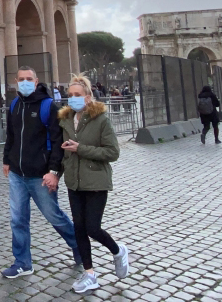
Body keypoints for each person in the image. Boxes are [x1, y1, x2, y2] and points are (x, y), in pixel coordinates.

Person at [1, 66, 81, 278]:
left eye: (29, 79)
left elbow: (57, 142)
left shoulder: (48, 106)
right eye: (21, 79)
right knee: (18, 219)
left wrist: (54, 171)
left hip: (41, 175)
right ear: (15, 82)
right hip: (17, 173)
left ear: (36, 82)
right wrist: (6, 159)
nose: (25, 82)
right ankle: (22, 262)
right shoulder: (14, 105)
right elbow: (11, 135)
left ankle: (79, 246)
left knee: (54, 216)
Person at [58, 74, 129, 294]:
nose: (72, 98)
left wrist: (80, 148)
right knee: (78, 228)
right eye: (70, 95)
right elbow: (64, 152)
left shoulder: (101, 120)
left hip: (96, 180)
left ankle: (118, 251)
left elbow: (112, 152)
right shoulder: (66, 119)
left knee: (92, 227)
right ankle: (89, 274)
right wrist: (55, 172)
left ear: (88, 97)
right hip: (74, 182)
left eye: (77, 95)